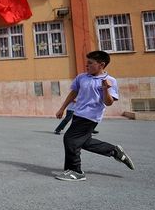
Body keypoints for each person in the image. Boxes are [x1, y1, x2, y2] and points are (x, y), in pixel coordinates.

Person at [54, 51, 135, 182]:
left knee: (70, 139)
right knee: (84, 142)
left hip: (90, 117)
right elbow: (73, 93)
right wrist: (62, 108)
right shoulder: (82, 77)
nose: (87, 66)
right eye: (87, 63)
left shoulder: (110, 81)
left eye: (90, 63)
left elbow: (108, 102)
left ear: (101, 65)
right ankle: (114, 151)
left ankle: (76, 171)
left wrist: (105, 89)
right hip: (78, 114)